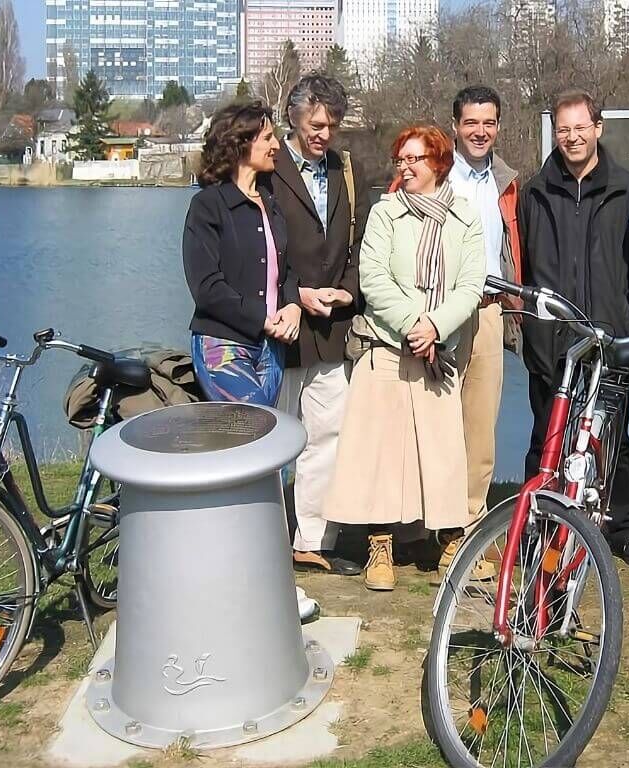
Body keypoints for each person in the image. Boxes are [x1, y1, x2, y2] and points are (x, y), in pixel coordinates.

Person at [323, 125, 486, 591]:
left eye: (415, 158)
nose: (406, 167)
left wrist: (436, 327)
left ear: (439, 163)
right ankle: (380, 545)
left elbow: (471, 285)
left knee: (443, 451)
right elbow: (373, 280)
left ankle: (451, 539)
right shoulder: (384, 213)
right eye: (401, 159)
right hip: (387, 347)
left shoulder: (465, 216)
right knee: (382, 453)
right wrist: (417, 323)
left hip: (439, 351)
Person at [519, 89, 629, 569]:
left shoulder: (627, 188)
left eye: (581, 127)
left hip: (607, 339)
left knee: (611, 437)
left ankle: (621, 526)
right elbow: (528, 264)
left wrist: (625, 326)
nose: (572, 137)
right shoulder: (535, 191)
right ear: (554, 133)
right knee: (547, 437)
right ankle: (541, 524)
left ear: (598, 128)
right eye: (563, 129)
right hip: (552, 338)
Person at [271, 74, 372, 578]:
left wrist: (349, 291)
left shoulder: (345, 169)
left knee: (326, 436)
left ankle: (311, 540)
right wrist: (295, 295)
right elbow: (260, 250)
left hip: (331, 326)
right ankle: (263, 538)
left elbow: (357, 243)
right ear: (293, 117)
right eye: (316, 124)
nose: (324, 133)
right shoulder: (269, 167)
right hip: (281, 327)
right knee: (272, 440)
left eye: (331, 125)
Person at [441, 85, 524, 579]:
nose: (480, 131)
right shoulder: (433, 174)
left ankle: (468, 531)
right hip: (442, 316)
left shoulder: (506, 181)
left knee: (480, 430)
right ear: (456, 126)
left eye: (488, 122)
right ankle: (435, 526)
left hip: (490, 312)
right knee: (437, 425)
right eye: (471, 122)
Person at [183, 100, 302, 406]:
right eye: (267, 138)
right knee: (258, 435)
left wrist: (294, 306)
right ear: (240, 144)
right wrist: (261, 318)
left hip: (271, 347)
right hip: (223, 345)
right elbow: (206, 288)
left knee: (254, 443)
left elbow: (285, 272)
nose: (276, 145)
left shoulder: (271, 204)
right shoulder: (208, 206)